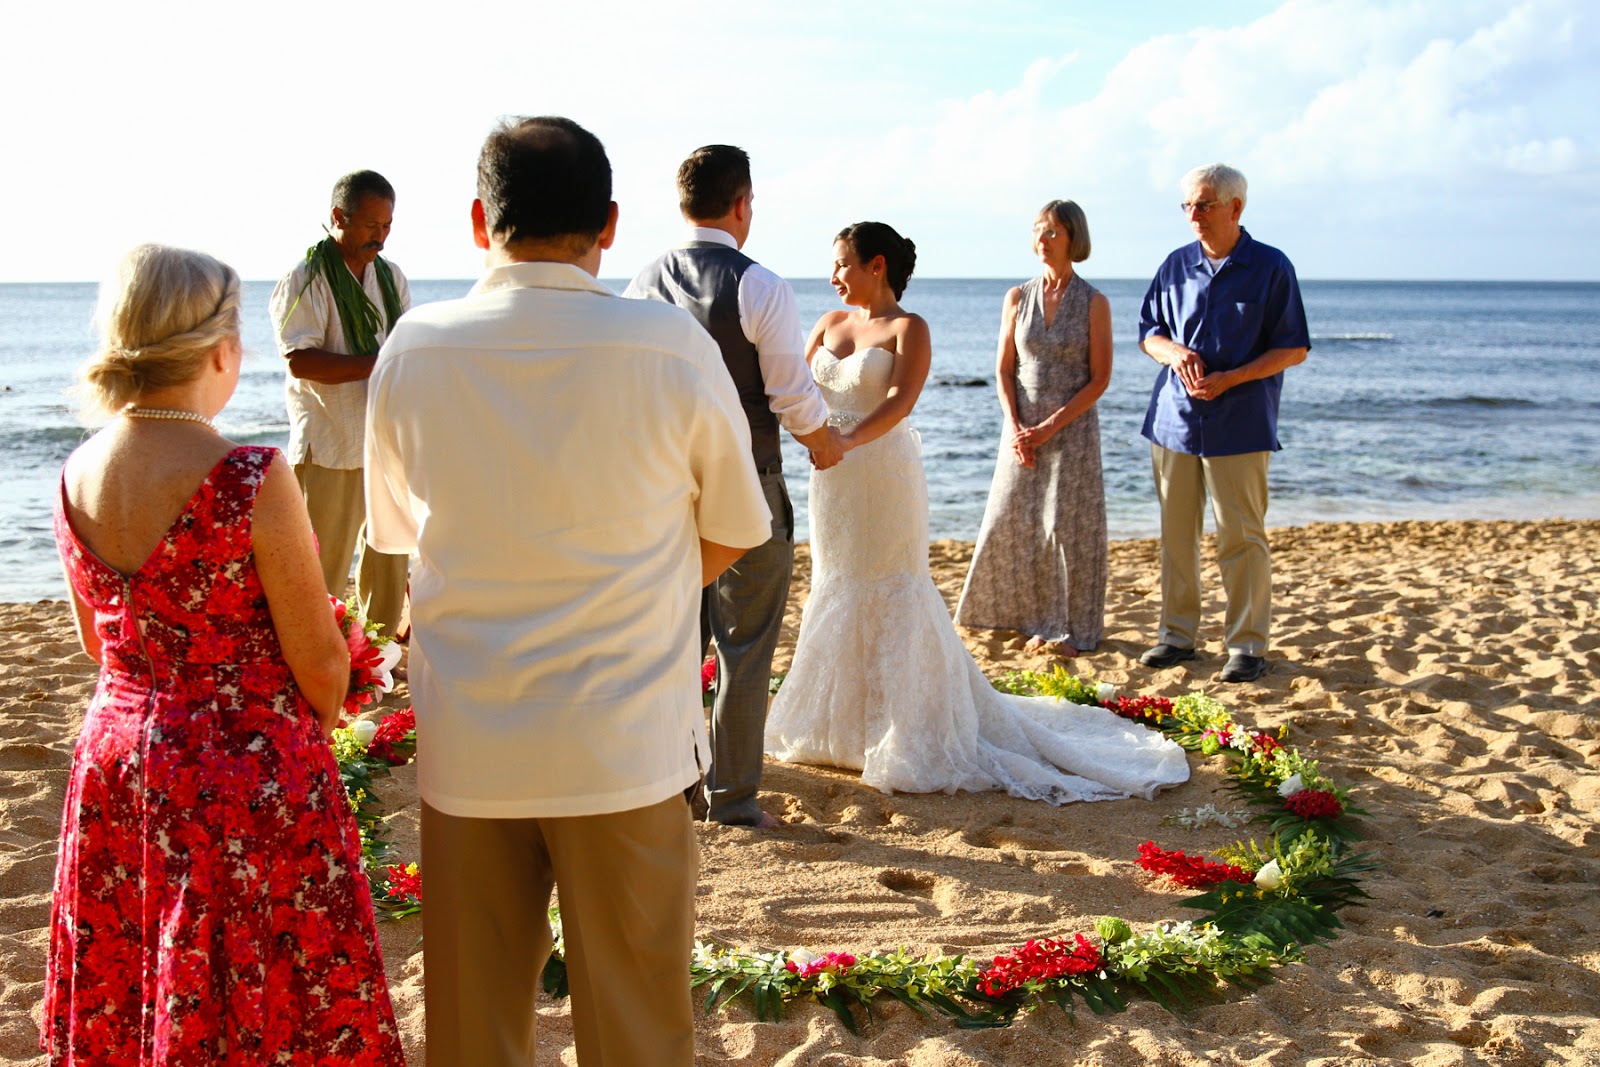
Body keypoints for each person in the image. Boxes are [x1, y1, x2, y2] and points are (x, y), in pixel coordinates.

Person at [365, 117, 771, 1067]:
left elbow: (404, 535)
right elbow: (733, 527)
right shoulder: (667, 345)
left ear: (479, 220)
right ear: (611, 223)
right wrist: (646, 577)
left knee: (471, 1027)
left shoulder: (414, 347)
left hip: (472, 736)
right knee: (638, 1024)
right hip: (622, 733)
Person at [45, 245, 404, 1065]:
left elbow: (96, 643)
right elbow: (317, 660)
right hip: (243, 770)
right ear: (222, 350)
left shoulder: (74, 473)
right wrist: (308, 720)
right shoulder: (248, 473)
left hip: (117, 764)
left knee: (138, 973)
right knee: (279, 1000)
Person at [765, 223, 1187, 804]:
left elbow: (901, 401)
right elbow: (792, 387)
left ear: (877, 265)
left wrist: (845, 443)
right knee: (837, 581)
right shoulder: (826, 324)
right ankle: (842, 726)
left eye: (842, 264)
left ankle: (902, 726)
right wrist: (812, 440)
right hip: (830, 478)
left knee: (891, 584)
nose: (833, 275)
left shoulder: (909, 329)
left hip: (879, 472)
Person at [625, 145, 843, 828]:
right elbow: (791, 395)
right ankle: (734, 797)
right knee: (744, 645)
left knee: (674, 644)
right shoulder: (761, 285)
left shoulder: (644, 280)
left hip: (662, 491)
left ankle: (676, 786)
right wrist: (825, 442)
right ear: (742, 202)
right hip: (747, 484)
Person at [1136, 163, 1311, 683]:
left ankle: (1248, 646)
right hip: (1174, 421)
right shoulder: (1175, 265)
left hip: (1240, 423)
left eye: (1204, 204)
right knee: (1176, 537)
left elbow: (1293, 347)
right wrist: (1174, 354)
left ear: (1236, 207)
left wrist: (1233, 378)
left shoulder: (1271, 267)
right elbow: (1149, 332)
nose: (1194, 214)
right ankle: (1177, 637)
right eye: (1188, 205)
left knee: (1241, 537)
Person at [954, 199, 1112, 657]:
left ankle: (1066, 627)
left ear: (1073, 239)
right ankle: (1017, 617)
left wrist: (1048, 428)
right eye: (1038, 230)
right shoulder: (1017, 297)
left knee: (1065, 527)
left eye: (1053, 233)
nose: (1042, 240)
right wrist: (1017, 424)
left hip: (1072, 429)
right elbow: (1004, 368)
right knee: (1012, 518)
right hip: (1019, 426)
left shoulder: (1093, 302)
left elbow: (1099, 378)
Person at [270, 169, 411, 636]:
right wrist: (380, 362)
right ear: (338, 217)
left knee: (390, 558)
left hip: (384, 441)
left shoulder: (391, 277)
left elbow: (405, 351)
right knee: (322, 566)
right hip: (330, 441)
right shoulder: (306, 279)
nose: (381, 237)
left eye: (388, 226)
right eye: (372, 225)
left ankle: (379, 657)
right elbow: (301, 361)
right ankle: (320, 654)